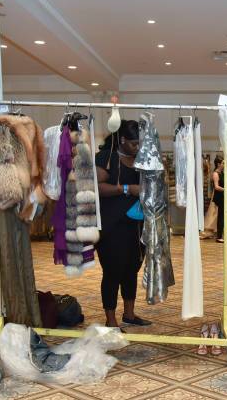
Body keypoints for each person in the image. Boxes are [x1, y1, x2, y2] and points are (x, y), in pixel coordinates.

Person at [95, 120, 151, 328]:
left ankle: (129, 313)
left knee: (131, 268)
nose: (138, 147)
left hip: (136, 224)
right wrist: (126, 189)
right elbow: (97, 188)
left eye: (140, 143)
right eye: (134, 143)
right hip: (112, 225)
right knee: (112, 270)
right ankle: (110, 319)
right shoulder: (106, 158)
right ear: (123, 140)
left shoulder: (140, 158)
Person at [211, 155, 226, 243]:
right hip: (219, 196)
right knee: (220, 216)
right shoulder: (215, 173)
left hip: (222, 195)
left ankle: (221, 235)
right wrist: (225, 189)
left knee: (222, 216)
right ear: (218, 164)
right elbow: (216, 187)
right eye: (223, 163)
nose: (224, 165)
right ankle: (219, 236)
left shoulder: (222, 173)